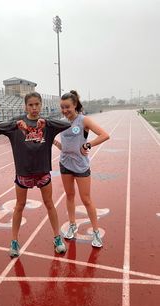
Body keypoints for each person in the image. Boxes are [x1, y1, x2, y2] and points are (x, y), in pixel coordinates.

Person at [0, 92, 71, 257]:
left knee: (49, 204)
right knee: (19, 206)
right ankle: (14, 242)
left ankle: (57, 238)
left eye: (37, 104)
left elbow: (67, 124)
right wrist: (15, 124)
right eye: (31, 105)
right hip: (24, 173)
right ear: (25, 106)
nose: (34, 108)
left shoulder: (47, 125)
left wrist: (46, 121)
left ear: (41, 105)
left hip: (43, 172)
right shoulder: (17, 125)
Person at [53, 90, 110, 247]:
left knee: (86, 200)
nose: (64, 111)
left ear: (75, 105)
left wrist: (88, 144)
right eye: (62, 107)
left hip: (81, 166)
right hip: (64, 164)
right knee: (70, 196)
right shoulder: (61, 122)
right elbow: (65, 146)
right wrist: (54, 142)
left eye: (67, 107)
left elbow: (105, 135)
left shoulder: (83, 120)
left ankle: (96, 233)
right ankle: (72, 225)